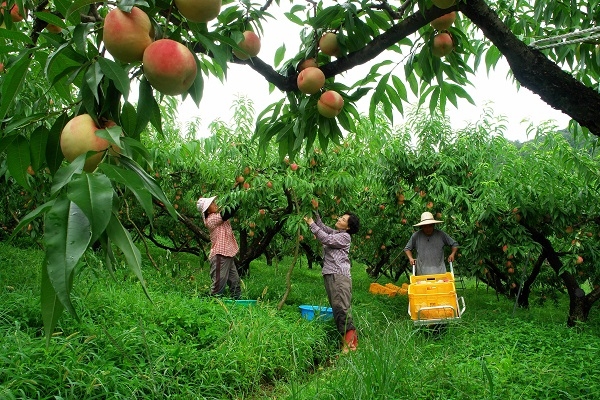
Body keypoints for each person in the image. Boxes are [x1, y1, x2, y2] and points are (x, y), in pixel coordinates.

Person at [304, 211, 360, 352]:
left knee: (341, 308)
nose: (339, 218)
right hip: (332, 275)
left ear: (347, 227)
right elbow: (322, 227)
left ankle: (349, 345)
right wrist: (315, 212)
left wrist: (311, 223)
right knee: (338, 308)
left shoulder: (345, 237)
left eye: (343, 219)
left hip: (339, 276)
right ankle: (349, 342)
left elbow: (326, 238)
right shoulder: (337, 232)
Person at [197, 195, 241, 299]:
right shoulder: (211, 220)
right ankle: (212, 303)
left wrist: (234, 190)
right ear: (207, 211)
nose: (215, 204)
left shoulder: (217, 216)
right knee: (219, 283)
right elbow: (227, 212)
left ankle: (237, 302)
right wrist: (240, 198)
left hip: (228, 254)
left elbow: (227, 206)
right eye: (211, 204)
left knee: (235, 281)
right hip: (220, 255)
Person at [404, 211, 459, 276]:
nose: (428, 229)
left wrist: (452, 254)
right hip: (422, 274)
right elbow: (407, 249)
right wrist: (410, 258)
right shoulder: (416, 236)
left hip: (440, 273)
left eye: (430, 226)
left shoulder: (440, 234)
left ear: (433, 225)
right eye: (425, 226)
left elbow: (455, 244)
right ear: (422, 226)